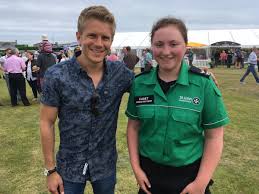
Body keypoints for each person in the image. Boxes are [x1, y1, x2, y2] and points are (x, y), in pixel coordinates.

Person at [126, 17, 230, 194]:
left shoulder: (204, 85)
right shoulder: (140, 84)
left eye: (173, 44)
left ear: (185, 47)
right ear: (151, 47)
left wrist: (201, 183)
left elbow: (214, 136)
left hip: (190, 179)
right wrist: (136, 168)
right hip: (149, 179)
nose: (166, 51)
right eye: (159, 44)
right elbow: (133, 128)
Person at [40, 5, 134, 194]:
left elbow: (151, 83)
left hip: (105, 165)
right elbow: (46, 122)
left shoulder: (120, 74)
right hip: (69, 166)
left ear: (111, 41)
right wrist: (50, 170)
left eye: (105, 37)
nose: (99, 43)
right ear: (79, 37)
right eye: (92, 35)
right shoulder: (57, 75)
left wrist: (198, 75)